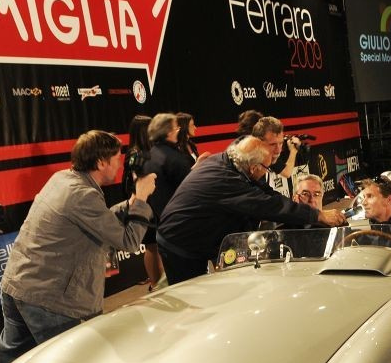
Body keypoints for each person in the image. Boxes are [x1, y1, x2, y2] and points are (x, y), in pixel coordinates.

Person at [0, 131, 156, 363]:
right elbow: (128, 242)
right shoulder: (83, 194)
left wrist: (130, 204)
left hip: (19, 286)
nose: (120, 164)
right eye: (116, 158)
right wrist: (141, 199)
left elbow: (97, 220)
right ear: (101, 162)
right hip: (49, 300)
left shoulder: (63, 179)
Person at [157, 136, 346, 284]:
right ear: (254, 167)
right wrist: (318, 215)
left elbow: (267, 193)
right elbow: (270, 206)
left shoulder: (231, 162)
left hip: (192, 234)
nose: (267, 171)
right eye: (267, 168)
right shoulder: (227, 181)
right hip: (180, 243)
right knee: (192, 296)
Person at [141, 113, 194, 290]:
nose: (178, 130)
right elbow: (190, 191)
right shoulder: (174, 158)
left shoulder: (149, 155)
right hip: (180, 225)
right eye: (176, 127)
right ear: (169, 132)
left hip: (161, 223)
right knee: (186, 279)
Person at [252, 116, 301, 197]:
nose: (278, 150)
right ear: (257, 143)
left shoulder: (268, 155)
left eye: (281, 143)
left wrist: (293, 150)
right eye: (272, 144)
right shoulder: (246, 169)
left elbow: (287, 173)